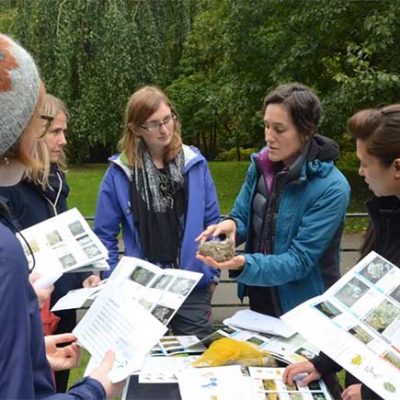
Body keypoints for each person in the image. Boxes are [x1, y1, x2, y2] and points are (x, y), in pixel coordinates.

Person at [0, 33, 124, 399]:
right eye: (38, 123)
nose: (50, 137)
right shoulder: (5, 256)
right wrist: (98, 389)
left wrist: (32, 353)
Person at [196, 82, 350, 317]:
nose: (269, 137)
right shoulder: (260, 165)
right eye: (266, 126)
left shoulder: (332, 187)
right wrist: (230, 226)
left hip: (305, 308)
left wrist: (243, 264)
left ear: (306, 132)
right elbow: (243, 216)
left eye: (279, 129)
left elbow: (299, 261)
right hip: (261, 294)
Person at [283, 104, 400, 400]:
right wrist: (324, 363)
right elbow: (369, 311)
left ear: (397, 167)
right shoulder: (388, 215)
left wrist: (375, 393)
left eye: (364, 162)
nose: (360, 172)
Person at [94, 85, 220, 338]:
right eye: (154, 124)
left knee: (196, 361)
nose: (164, 129)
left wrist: (212, 273)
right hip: (143, 289)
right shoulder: (120, 171)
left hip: (192, 284)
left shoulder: (195, 163)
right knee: (146, 365)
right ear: (136, 129)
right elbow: (104, 235)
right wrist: (113, 281)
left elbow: (212, 222)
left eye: (168, 119)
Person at [0, 93, 101, 392]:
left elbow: (66, 238)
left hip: (61, 308)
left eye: (64, 131)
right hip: (33, 312)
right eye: (56, 131)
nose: (63, 140)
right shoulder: (11, 187)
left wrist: (86, 274)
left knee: (58, 383)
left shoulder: (56, 183)